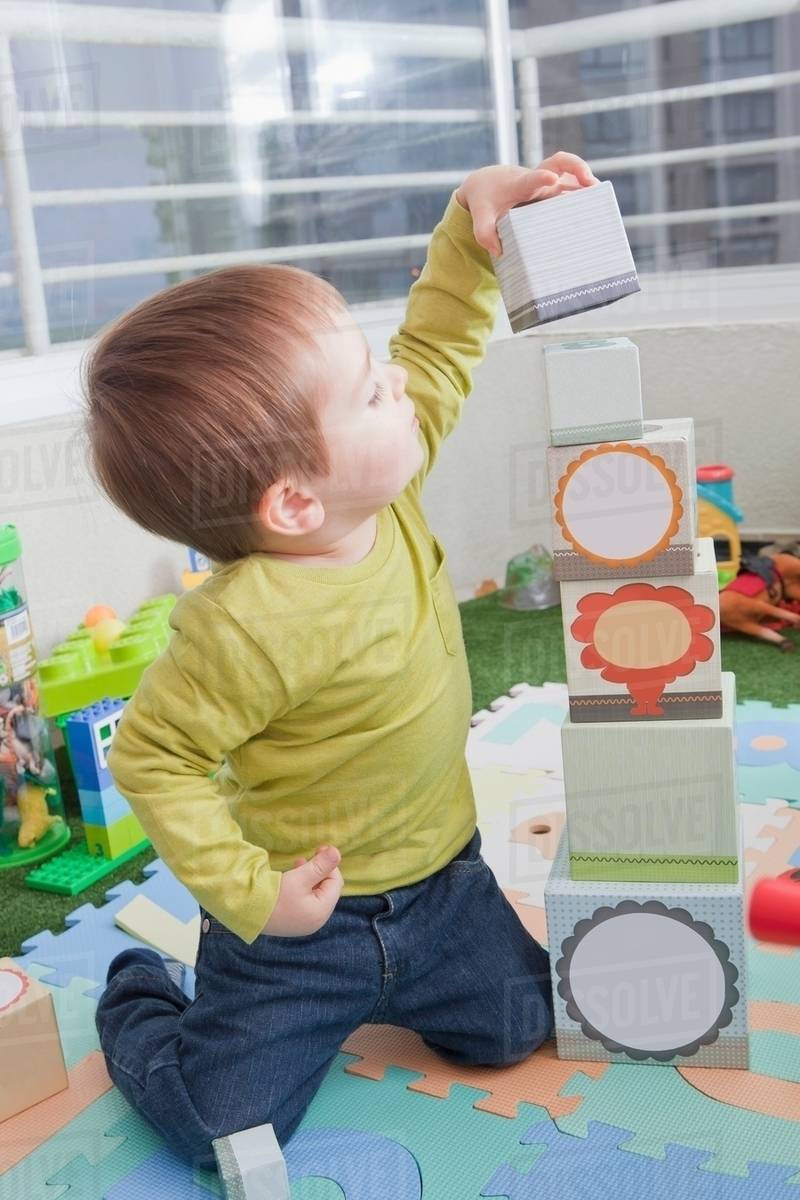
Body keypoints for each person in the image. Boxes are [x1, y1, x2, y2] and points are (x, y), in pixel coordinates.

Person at [87, 154, 598, 1171]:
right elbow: (153, 758)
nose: (399, 379)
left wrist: (469, 223)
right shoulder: (237, 626)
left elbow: (440, 348)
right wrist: (248, 893)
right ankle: (141, 993)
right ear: (293, 504)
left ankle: (420, 984)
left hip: (445, 885)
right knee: (221, 1127)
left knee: (515, 1031)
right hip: (297, 934)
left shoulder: (384, 492)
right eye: (369, 389)